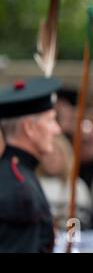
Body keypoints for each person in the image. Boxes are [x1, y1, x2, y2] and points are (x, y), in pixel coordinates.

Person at [0, 77, 61, 252]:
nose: (57, 129)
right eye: (50, 120)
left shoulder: (18, 175)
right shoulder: (19, 190)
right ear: (30, 128)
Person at [37, 134, 93, 230]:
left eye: (57, 154)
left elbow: (84, 219)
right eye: (48, 154)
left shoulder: (77, 186)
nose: (52, 158)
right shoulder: (35, 183)